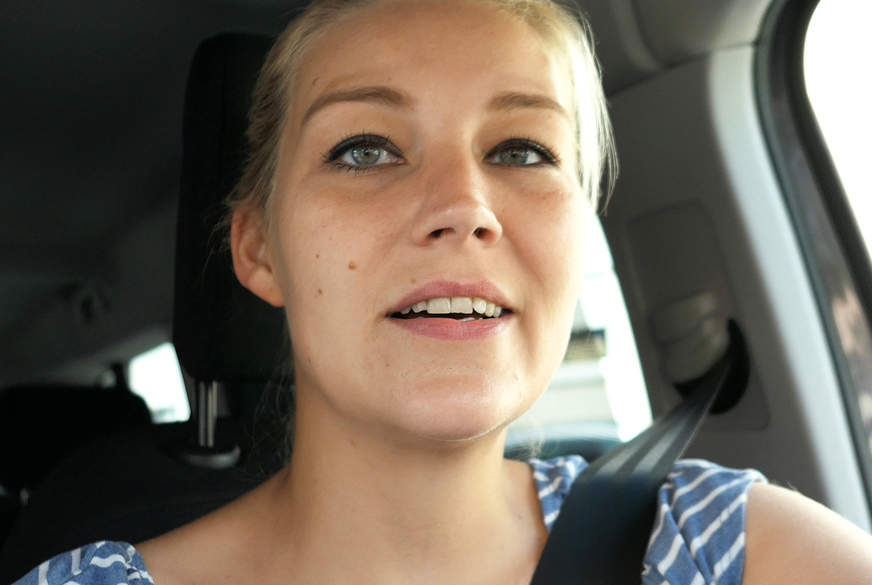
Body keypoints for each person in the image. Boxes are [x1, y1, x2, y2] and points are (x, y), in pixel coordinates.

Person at [14, 0, 872, 584]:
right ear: (259, 249)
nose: (465, 206)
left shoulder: (723, 544)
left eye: (523, 151)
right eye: (364, 150)